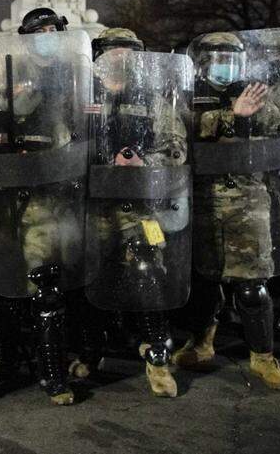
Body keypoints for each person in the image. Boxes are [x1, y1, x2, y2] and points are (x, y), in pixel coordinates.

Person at [174, 31, 280, 391]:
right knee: (204, 278)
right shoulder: (189, 97)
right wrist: (232, 117)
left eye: (232, 61)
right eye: (218, 60)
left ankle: (262, 357)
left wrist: (244, 127)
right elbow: (181, 129)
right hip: (202, 199)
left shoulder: (257, 95)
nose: (225, 68)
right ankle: (200, 343)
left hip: (248, 201)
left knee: (252, 283)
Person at [0, 8, 88, 405]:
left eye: (50, 31)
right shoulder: (7, 74)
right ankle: (7, 357)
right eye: (36, 32)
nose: (44, 37)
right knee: (6, 286)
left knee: (48, 286)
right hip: (9, 199)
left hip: (50, 199)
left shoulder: (74, 78)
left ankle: (54, 372)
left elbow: (79, 134)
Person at [86, 27, 192, 398]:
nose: (120, 58)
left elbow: (177, 148)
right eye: (112, 52)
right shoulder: (83, 97)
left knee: (150, 268)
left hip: (141, 207)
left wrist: (143, 160)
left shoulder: (154, 101)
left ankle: (159, 359)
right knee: (91, 274)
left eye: (129, 52)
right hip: (94, 207)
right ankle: (92, 348)